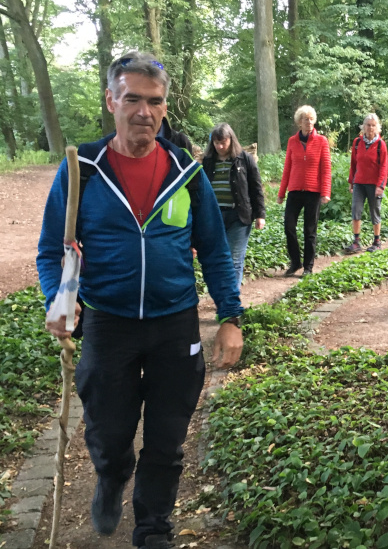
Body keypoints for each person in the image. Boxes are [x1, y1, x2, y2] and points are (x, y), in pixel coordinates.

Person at [37, 52, 244, 549]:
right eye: (132, 99)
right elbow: (51, 250)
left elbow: (215, 251)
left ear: (164, 106)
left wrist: (232, 316)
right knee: (108, 432)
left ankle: (153, 527)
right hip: (108, 324)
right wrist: (57, 300)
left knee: (168, 439)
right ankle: (111, 476)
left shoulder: (187, 173)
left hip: (176, 323)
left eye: (154, 102)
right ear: (111, 100)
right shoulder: (80, 169)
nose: (144, 112)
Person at [202, 123, 266, 290]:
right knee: (217, 258)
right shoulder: (208, 161)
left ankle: (231, 300)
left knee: (234, 259)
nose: (220, 146)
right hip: (214, 217)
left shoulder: (244, 159)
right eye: (216, 143)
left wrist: (260, 215)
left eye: (223, 142)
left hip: (239, 216)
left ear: (231, 139)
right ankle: (221, 294)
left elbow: (256, 187)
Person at [279, 105, 332, 276]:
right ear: (299, 122)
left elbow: (326, 169)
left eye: (311, 119)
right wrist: (281, 193)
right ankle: (296, 262)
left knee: (310, 231)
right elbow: (287, 168)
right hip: (294, 190)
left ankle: (308, 267)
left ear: (314, 121)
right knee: (289, 226)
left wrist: (325, 192)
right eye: (305, 119)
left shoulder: (321, 141)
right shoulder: (292, 142)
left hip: (313, 191)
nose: (308, 122)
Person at [344, 113, 388, 253]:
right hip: (359, 183)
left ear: (377, 128)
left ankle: (377, 241)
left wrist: (380, 185)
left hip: (374, 184)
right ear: (363, 127)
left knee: (374, 211)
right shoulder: (357, 143)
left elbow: (384, 166)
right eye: (368, 125)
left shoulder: (381, 145)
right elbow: (353, 163)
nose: (370, 128)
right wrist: (351, 181)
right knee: (356, 211)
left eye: (373, 125)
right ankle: (356, 242)